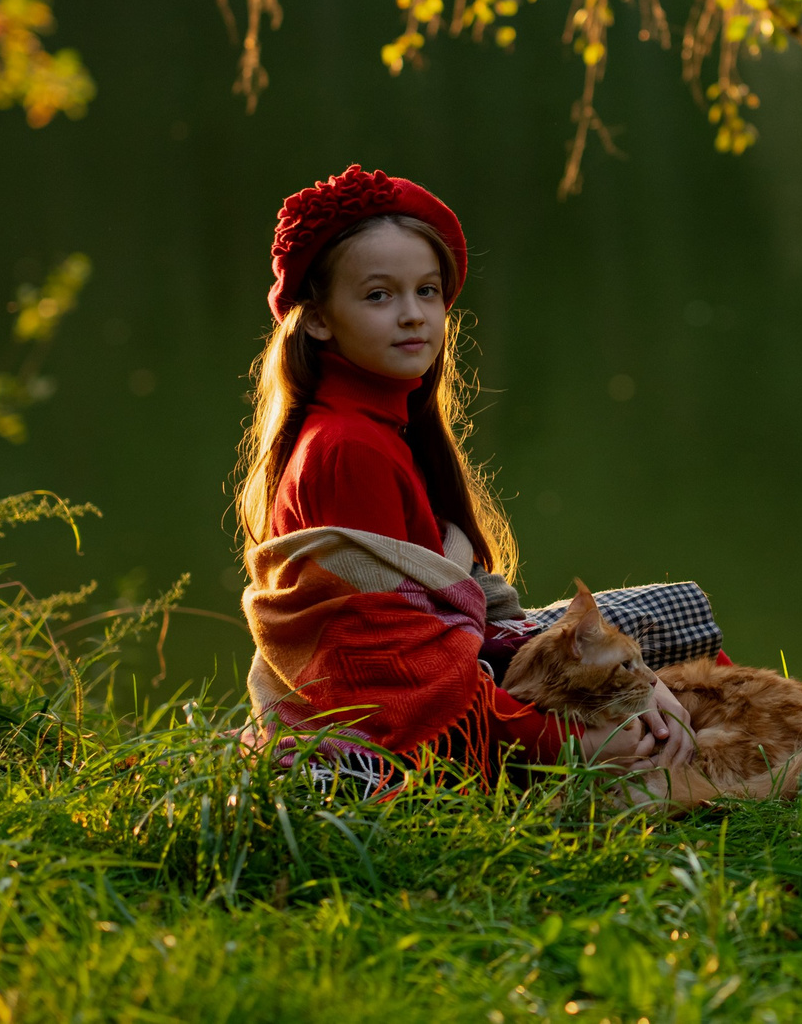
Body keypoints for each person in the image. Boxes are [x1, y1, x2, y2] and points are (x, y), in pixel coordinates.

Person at [233, 164, 702, 791]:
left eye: (427, 291)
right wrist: (573, 744)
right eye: (379, 295)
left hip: (437, 667)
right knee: (663, 683)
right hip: (382, 724)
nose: (413, 315)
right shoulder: (346, 447)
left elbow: (443, 629)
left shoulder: (386, 425)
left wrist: (642, 687)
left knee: (673, 621)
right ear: (317, 319)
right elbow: (397, 669)